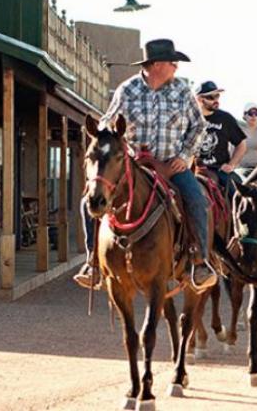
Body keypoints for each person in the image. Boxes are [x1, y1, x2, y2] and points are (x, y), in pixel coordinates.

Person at [75, 38, 216, 290]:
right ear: (158, 65)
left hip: (171, 164)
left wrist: (184, 156)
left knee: (198, 199)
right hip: (134, 164)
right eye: (173, 63)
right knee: (89, 200)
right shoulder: (127, 90)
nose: (176, 67)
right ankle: (93, 262)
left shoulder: (182, 91)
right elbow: (108, 120)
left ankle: (199, 259)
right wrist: (105, 135)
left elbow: (198, 127)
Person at [194, 80, 247, 197]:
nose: (216, 100)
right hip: (193, 169)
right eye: (211, 97)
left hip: (219, 170)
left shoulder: (225, 118)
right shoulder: (189, 118)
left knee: (241, 196)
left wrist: (231, 165)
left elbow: (241, 144)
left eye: (217, 96)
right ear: (199, 99)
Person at [236, 102, 257, 179]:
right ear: (244, 115)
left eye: (256, 113)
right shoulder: (238, 131)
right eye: (250, 113)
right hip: (243, 169)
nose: (253, 116)